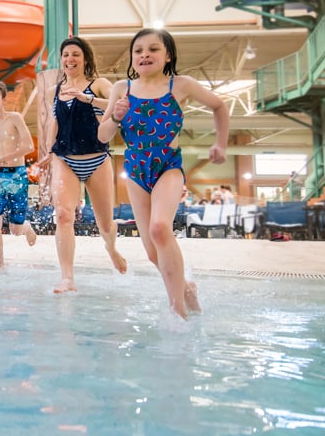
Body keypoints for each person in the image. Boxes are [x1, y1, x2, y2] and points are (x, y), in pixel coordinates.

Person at [97, 28, 228, 320]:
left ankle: (176, 310)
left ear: (168, 55)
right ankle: (186, 287)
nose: (145, 54)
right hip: (135, 168)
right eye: (138, 50)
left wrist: (221, 143)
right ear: (132, 57)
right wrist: (116, 117)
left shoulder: (180, 85)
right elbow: (103, 136)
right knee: (152, 252)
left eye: (153, 49)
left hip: (168, 164)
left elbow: (219, 106)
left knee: (159, 229)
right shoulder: (122, 88)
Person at [37, 37, 127, 293]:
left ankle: (111, 248)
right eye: (66, 55)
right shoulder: (57, 89)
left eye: (75, 54)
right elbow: (55, 121)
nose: (69, 59)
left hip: (96, 159)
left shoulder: (99, 84)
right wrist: (48, 150)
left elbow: (118, 106)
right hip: (64, 158)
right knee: (63, 215)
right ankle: (67, 278)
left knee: (105, 224)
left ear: (84, 58)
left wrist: (87, 99)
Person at [0, 81, 38, 269]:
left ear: (3, 99)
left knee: (15, 229)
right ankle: (0, 268)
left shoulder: (14, 118)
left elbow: (29, 147)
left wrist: (1, 159)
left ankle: (25, 227)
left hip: (17, 176)